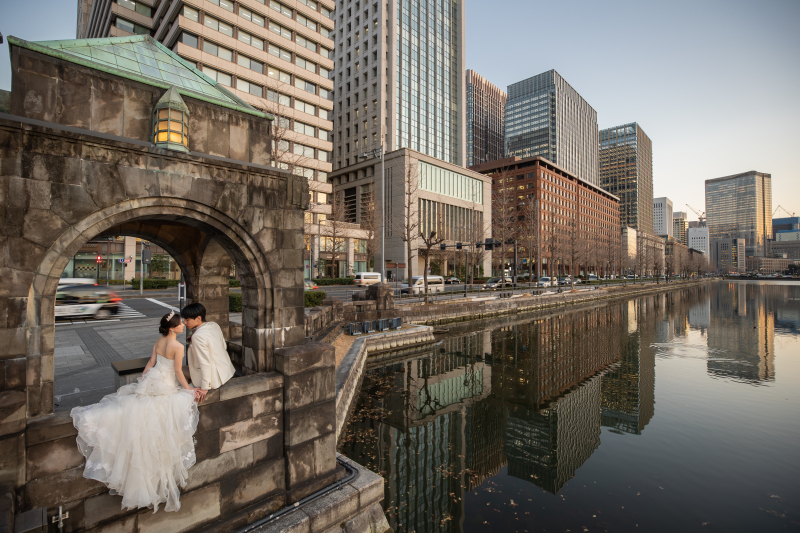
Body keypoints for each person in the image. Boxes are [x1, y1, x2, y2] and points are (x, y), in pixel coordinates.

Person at [71, 312, 199, 513]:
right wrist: (189, 390)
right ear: (173, 328)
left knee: (133, 405)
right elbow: (177, 371)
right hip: (165, 385)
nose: (184, 326)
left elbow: (150, 363)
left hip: (153, 380)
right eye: (181, 324)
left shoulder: (159, 340)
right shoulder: (178, 346)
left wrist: (143, 380)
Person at [181, 303, 235, 403]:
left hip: (214, 378)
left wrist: (205, 387)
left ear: (198, 318)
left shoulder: (198, 336)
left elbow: (205, 363)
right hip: (226, 371)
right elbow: (224, 345)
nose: (184, 322)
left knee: (175, 370)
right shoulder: (214, 325)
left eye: (187, 319)